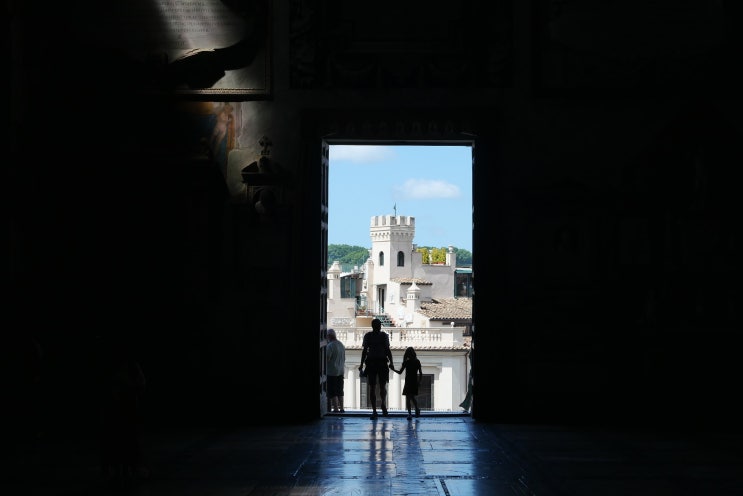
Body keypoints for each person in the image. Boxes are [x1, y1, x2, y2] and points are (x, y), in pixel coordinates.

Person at [358, 318, 395, 419]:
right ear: (379, 326)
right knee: (382, 386)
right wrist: (391, 362)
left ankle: (375, 410)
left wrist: (361, 364)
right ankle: (383, 404)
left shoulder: (368, 336)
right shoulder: (384, 336)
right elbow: (387, 350)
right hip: (381, 363)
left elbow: (365, 351)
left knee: (372, 387)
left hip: (371, 363)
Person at [393, 347, 423, 420]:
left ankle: (410, 414)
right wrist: (419, 381)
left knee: (408, 398)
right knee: (412, 397)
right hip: (414, 381)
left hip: (408, 382)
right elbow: (420, 373)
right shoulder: (417, 361)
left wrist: (393, 369)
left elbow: (400, 372)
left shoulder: (407, 362)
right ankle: (416, 409)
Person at [325, 329, 346, 413]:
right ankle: (342, 408)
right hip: (341, 371)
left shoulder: (330, 346)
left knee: (332, 391)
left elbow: (327, 359)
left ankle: (336, 409)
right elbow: (344, 358)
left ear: (328, 336)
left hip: (331, 372)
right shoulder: (341, 344)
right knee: (340, 391)